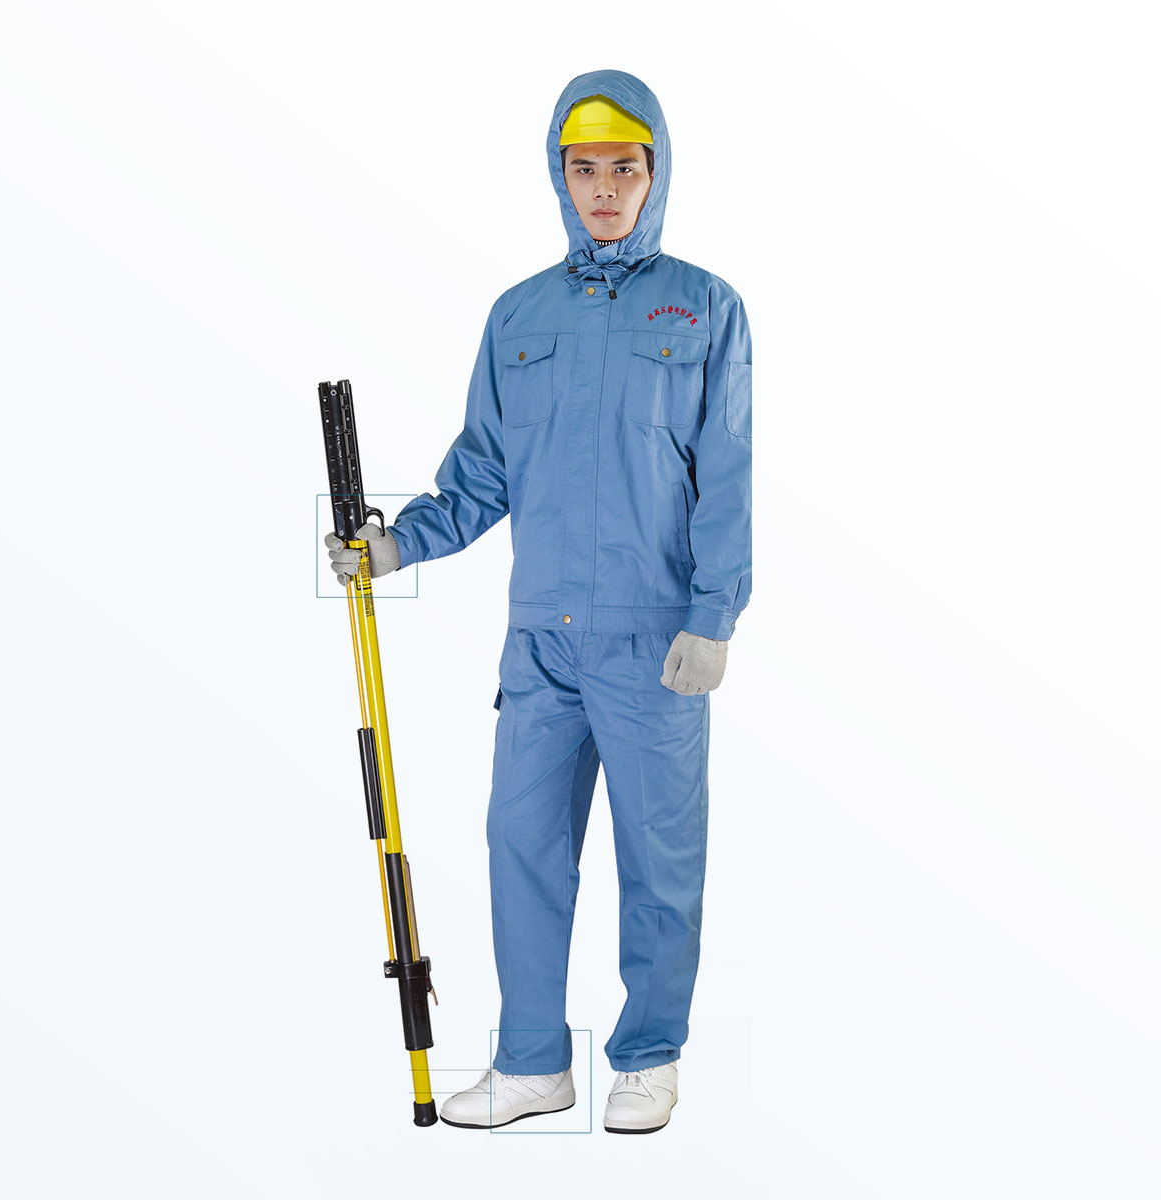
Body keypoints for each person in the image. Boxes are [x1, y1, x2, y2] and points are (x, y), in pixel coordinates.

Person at [324, 68, 751, 1134]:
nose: (604, 188)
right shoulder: (519, 313)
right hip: (541, 645)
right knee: (522, 851)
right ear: (559, 178)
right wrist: (394, 543)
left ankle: (648, 1057)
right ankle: (530, 1065)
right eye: (584, 168)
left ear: (656, 174)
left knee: (659, 861)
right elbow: (481, 473)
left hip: (657, 644)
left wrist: (714, 617)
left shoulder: (706, 308)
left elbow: (728, 474)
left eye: (624, 168)